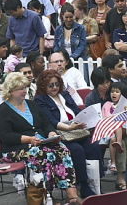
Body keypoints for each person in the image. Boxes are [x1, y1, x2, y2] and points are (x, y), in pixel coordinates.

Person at [0, 72, 81, 203]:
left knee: (62, 149)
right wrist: (28, 139)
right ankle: (47, 196)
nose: (24, 91)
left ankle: (72, 194)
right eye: (20, 88)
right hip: (16, 148)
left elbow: (46, 124)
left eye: (25, 87)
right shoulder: (3, 110)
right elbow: (6, 136)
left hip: (41, 143)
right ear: (10, 91)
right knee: (43, 154)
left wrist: (51, 133)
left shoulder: (31, 104)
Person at [34, 69, 102, 198]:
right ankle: (83, 185)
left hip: (76, 129)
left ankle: (96, 182)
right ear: (44, 86)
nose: (55, 88)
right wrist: (69, 127)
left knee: (94, 146)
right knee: (77, 150)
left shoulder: (64, 94)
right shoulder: (40, 100)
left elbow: (76, 110)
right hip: (60, 133)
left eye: (56, 84)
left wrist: (83, 119)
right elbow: (51, 121)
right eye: (51, 85)